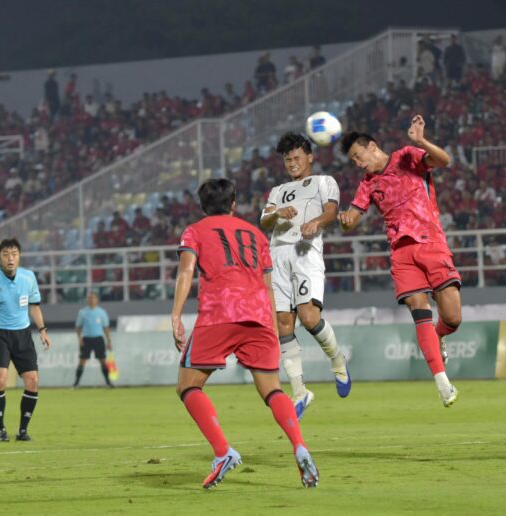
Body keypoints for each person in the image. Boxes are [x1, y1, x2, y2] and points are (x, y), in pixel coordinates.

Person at [171, 178, 318, 489]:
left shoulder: (194, 231)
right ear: (233, 204)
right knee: (272, 390)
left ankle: (223, 452)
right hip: (259, 314)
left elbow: (186, 271)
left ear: (203, 206)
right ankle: (300, 446)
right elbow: (268, 284)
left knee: (188, 385)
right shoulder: (256, 234)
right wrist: (272, 324)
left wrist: (176, 315)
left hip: (220, 312)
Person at [337, 115, 461, 408]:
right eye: (352, 160)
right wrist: (344, 220)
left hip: (431, 243)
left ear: (372, 146)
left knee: (453, 318)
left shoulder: (406, 157)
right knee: (419, 308)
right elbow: (352, 219)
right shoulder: (367, 184)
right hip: (401, 254)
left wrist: (421, 141)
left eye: (358, 156)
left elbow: (444, 160)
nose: (357, 163)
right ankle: (442, 383)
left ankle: (440, 335)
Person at [259, 132, 350, 419]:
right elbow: (264, 220)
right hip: (277, 256)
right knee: (283, 323)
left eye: (297, 157)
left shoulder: (324, 181)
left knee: (309, 318)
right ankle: (300, 393)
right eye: (288, 160)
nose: (292, 163)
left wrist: (316, 222)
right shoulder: (278, 190)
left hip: (305, 252)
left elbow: (331, 212)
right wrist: (277, 214)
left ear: (310, 157)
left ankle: (337, 360)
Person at [0, 238, 51, 442]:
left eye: (14, 254)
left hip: (22, 334)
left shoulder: (28, 277)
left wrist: (42, 329)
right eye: (6, 254)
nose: (10, 258)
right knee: (0, 379)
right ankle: (1, 429)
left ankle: (23, 431)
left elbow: (34, 305)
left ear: (19, 257)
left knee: (33, 381)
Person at [73, 292, 114, 388]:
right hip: (86, 339)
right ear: (87, 300)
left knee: (103, 361)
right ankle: (76, 384)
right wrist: (79, 339)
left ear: (97, 300)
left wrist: (109, 341)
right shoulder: (82, 312)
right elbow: (78, 327)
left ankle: (108, 383)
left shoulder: (102, 312)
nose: (91, 300)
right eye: (89, 298)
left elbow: (106, 328)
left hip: (98, 338)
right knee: (82, 361)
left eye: (93, 298)